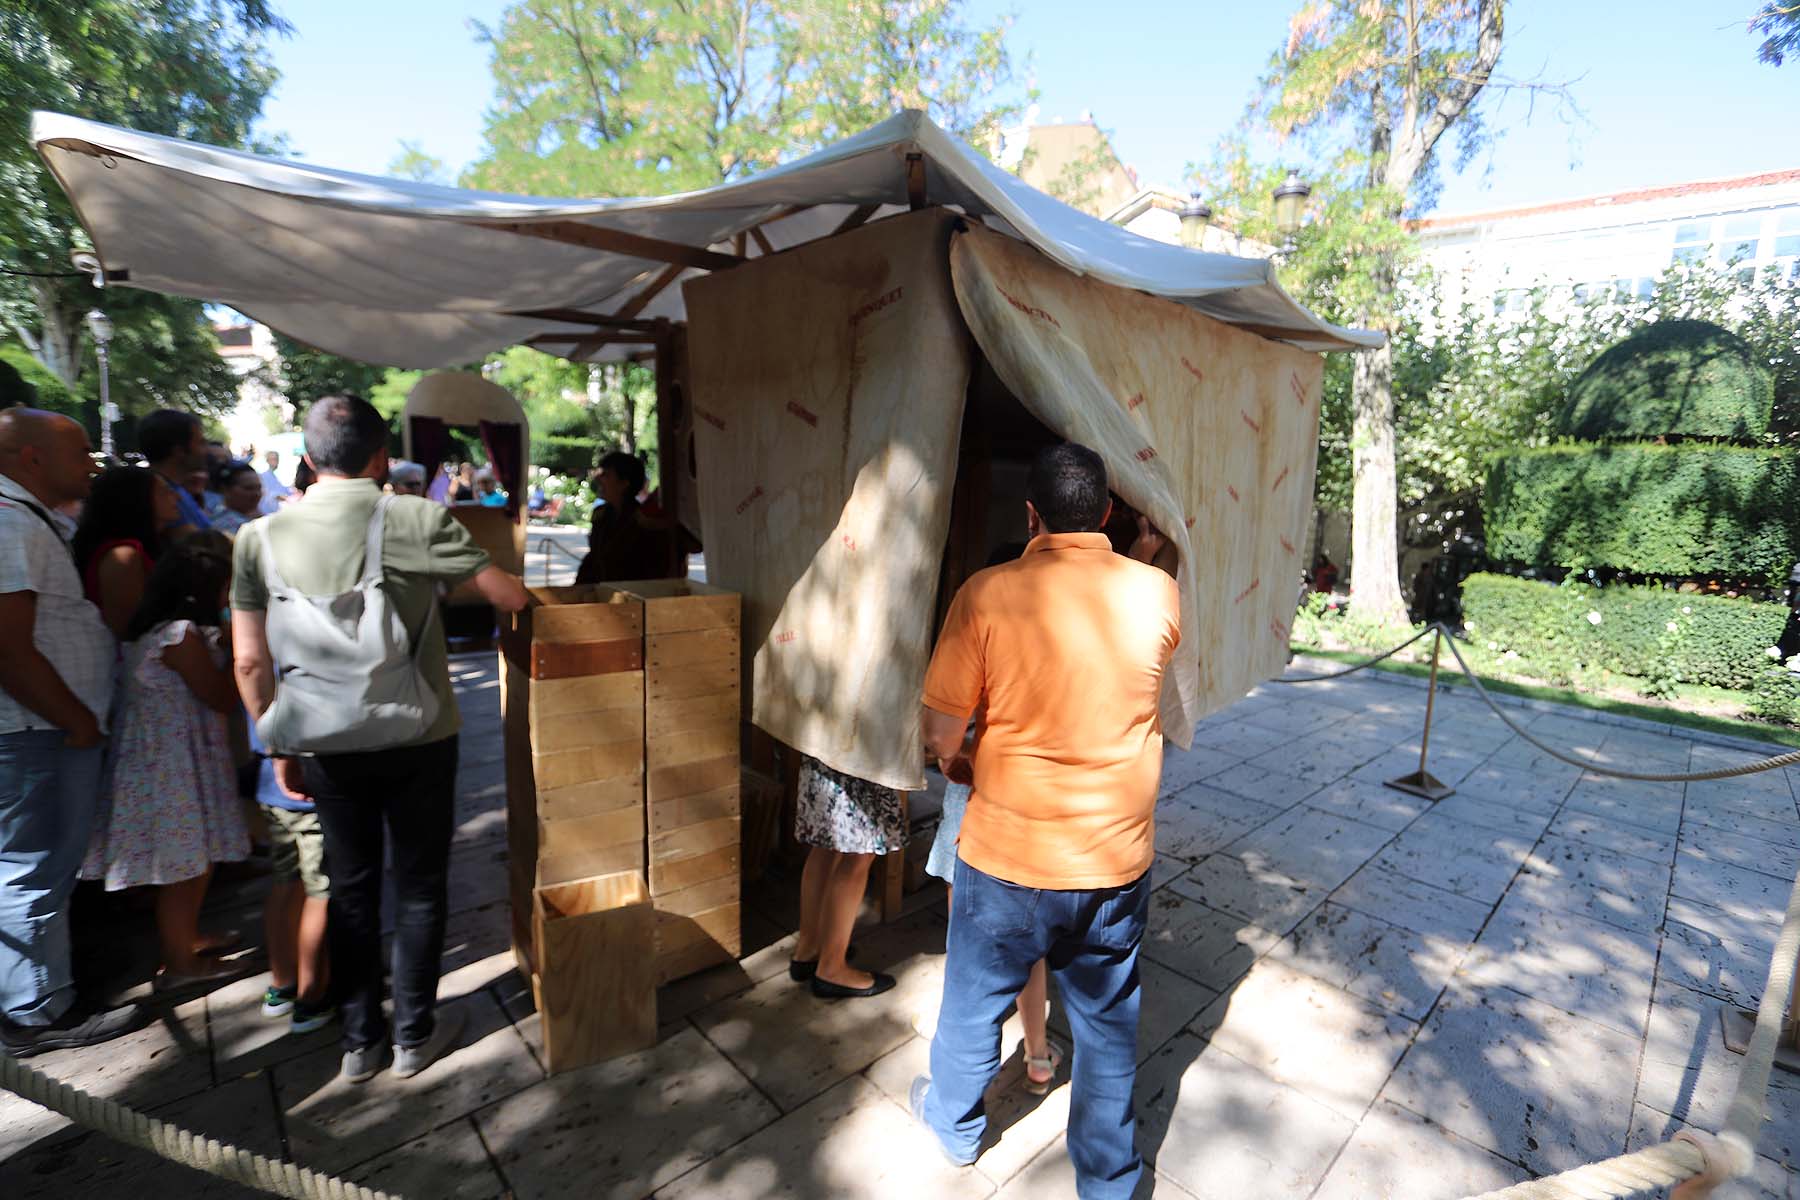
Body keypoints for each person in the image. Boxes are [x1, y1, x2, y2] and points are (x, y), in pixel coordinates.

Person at [231, 394, 529, 1084]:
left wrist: (279, 747)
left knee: (348, 885)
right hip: (420, 734)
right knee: (421, 887)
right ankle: (414, 1037)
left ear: (307, 460)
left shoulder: (257, 538)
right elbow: (507, 597)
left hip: (321, 747)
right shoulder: (416, 516)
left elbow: (249, 660)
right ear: (380, 457)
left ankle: (360, 1042)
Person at [911, 443, 1180, 1196]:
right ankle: (1107, 1180)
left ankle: (957, 1130)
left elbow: (939, 735)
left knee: (971, 1005)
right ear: (1105, 515)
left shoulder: (987, 593)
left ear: (1030, 514)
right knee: (1106, 1029)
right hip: (1116, 859)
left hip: (1008, 854)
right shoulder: (1158, 593)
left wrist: (965, 761)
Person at [0, 408, 145, 1055]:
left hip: (47, 726)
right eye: (81, 450)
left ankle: (41, 990)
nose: (93, 463)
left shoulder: (26, 517)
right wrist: (75, 719)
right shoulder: (6, 520)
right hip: (38, 729)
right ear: (30, 457)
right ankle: (36, 1011)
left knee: (41, 865)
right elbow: (8, 647)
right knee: (30, 867)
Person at [81, 534, 250, 989]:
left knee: (195, 862)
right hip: (171, 766)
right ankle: (180, 962)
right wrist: (241, 651)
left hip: (175, 760)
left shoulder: (158, 631)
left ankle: (188, 938)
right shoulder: (178, 636)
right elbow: (217, 695)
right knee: (183, 868)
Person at [787, 755, 904, 998]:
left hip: (827, 740)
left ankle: (808, 950)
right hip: (863, 747)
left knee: (826, 843)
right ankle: (831, 968)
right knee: (859, 853)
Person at [253, 735, 332, 1034]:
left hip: (270, 781)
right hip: (303, 784)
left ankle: (282, 983)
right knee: (322, 891)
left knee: (286, 881)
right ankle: (313, 997)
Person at [72, 466, 176, 638]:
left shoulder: (150, 545)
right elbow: (127, 631)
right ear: (136, 499)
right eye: (165, 492)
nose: (177, 497)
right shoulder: (122, 557)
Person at [574, 451, 668, 583]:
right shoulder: (600, 514)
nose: (599, 479)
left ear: (624, 483)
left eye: (606, 474)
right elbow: (595, 557)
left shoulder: (644, 521)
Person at [138, 409, 212, 534]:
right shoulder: (162, 498)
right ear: (179, 451)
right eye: (201, 443)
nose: (207, 450)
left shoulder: (174, 490)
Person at [210, 461, 264, 537]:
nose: (257, 494)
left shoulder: (258, 519)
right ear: (225, 490)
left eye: (259, 488)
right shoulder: (223, 524)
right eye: (249, 488)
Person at [257, 450, 292, 516]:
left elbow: (286, 490)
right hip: (267, 513)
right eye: (272, 459)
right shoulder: (263, 476)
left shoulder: (281, 475)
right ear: (267, 460)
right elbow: (270, 494)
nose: (275, 462)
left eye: (276, 459)